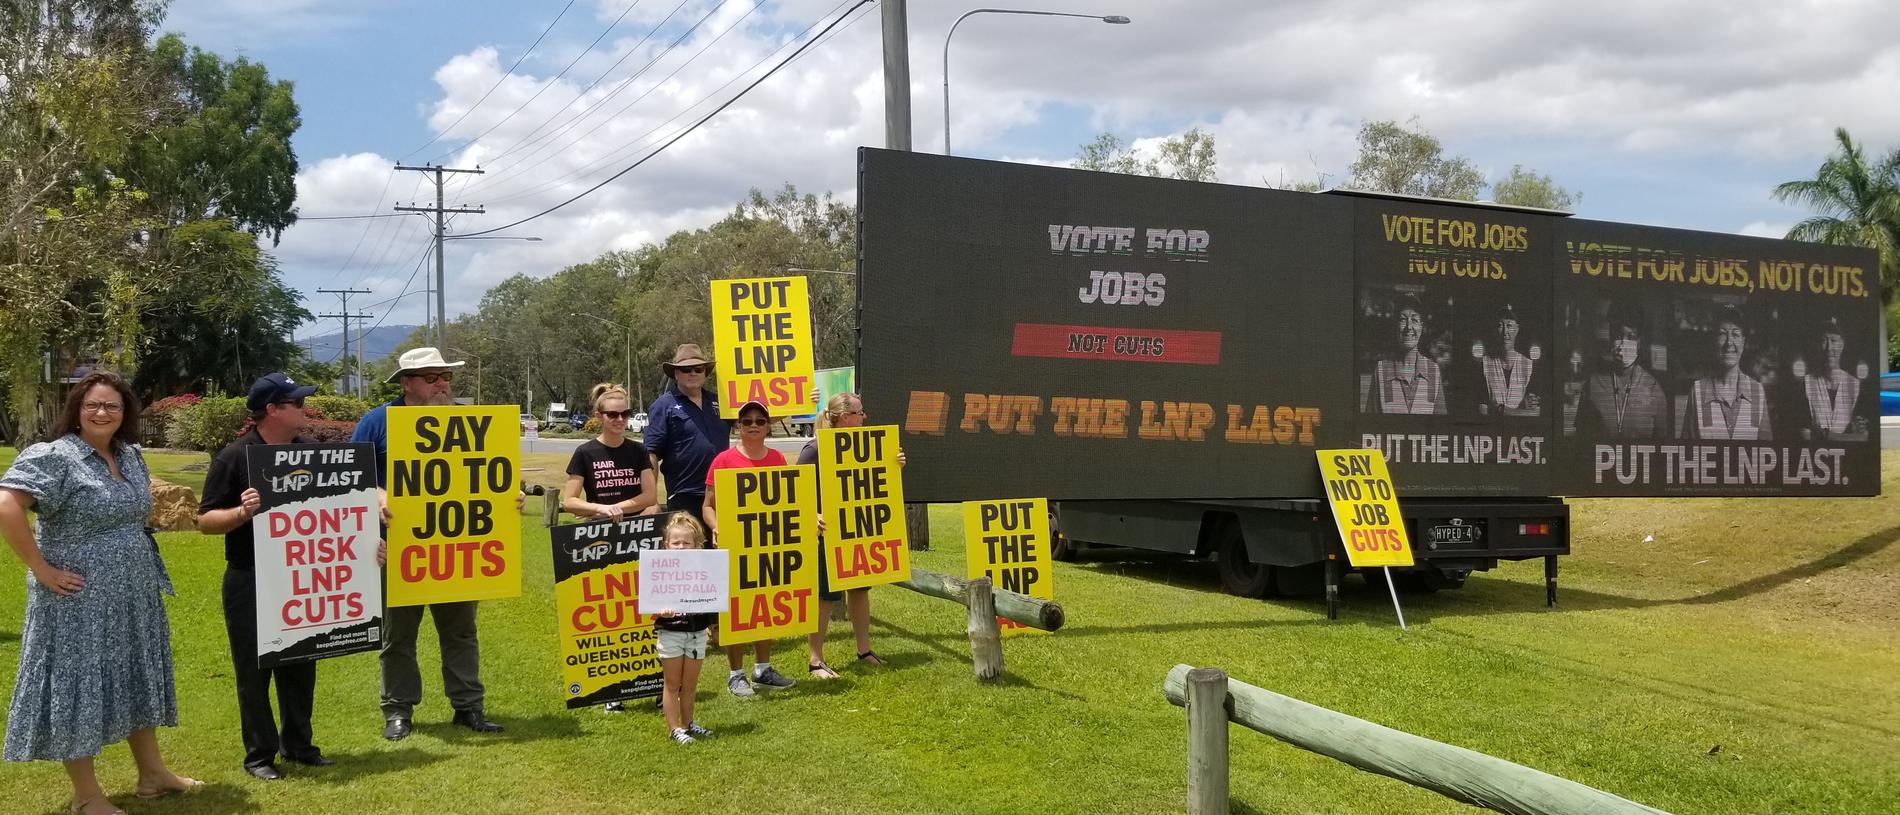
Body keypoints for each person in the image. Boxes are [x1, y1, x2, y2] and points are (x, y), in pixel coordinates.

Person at [0, 371, 201, 815]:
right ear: (77, 409)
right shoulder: (54, 456)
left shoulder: (130, 455)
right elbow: (7, 505)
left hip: (132, 592)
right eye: (93, 404)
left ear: (125, 412)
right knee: (78, 685)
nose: (102, 412)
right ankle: (86, 796)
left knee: (135, 676)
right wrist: (41, 569)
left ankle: (153, 775)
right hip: (77, 598)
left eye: (112, 405)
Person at [352, 347, 505, 739]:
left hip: (456, 547)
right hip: (397, 549)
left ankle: (468, 707)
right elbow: (350, 479)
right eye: (433, 377)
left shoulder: (469, 423)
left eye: (446, 377)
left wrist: (508, 498)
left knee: (461, 632)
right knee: (398, 635)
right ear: (406, 383)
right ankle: (398, 712)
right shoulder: (376, 423)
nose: (442, 384)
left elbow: (485, 477)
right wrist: (378, 495)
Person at [196, 373, 332, 780]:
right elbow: (204, 520)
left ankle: (299, 745)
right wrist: (241, 513)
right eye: (297, 402)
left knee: (301, 663)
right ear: (272, 410)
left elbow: (338, 514)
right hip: (250, 578)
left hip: (301, 577)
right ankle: (259, 755)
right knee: (254, 672)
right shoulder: (235, 457)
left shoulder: (309, 451)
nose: (305, 408)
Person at [562, 382, 657, 712]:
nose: (619, 419)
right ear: (599, 416)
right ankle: (612, 689)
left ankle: (654, 680)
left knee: (645, 609)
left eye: (625, 414)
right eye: (612, 414)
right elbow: (569, 500)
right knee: (609, 613)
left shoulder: (638, 450)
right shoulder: (585, 453)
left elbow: (650, 497)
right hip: (600, 540)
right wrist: (602, 509)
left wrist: (624, 508)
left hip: (638, 534)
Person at [801, 392, 905, 677]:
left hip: (856, 530)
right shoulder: (814, 450)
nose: (864, 417)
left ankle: (864, 650)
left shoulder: (868, 446)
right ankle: (815, 659)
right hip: (827, 535)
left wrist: (894, 463)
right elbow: (796, 491)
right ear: (844, 417)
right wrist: (813, 514)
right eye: (860, 413)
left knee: (859, 590)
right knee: (825, 596)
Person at [702, 400, 798, 697]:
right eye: (747, 421)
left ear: (769, 426)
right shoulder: (723, 460)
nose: (753, 425)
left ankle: (763, 668)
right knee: (738, 608)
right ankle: (735, 673)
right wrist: (716, 526)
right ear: (737, 427)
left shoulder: (778, 459)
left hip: (768, 544)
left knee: (765, 604)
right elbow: (706, 506)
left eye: (760, 420)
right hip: (735, 548)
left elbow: (787, 502)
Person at [643, 344, 729, 522]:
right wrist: (651, 500)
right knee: (688, 548)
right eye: (686, 369)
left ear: (705, 373)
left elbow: (758, 421)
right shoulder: (663, 405)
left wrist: (789, 403)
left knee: (722, 548)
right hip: (685, 494)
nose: (693, 373)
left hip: (722, 493)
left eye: (698, 369)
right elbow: (651, 454)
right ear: (676, 374)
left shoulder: (721, 402)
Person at [653, 512, 718, 744]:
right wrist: (662, 610)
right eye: (676, 542)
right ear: (666, 544)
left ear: (697, 544)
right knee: (672, 683)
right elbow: (650, 605)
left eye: (686, 543)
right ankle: (674, 729)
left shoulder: (705, 569)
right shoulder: (658, 570)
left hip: (696, 633)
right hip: (670, 632)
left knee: (690, 684)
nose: (681, 547)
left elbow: (714, 594)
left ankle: (689, 724)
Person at [1578, 302, 1669, 439]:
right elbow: (1580, 442)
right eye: (1619, 336)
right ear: (1610, 337)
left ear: (1640, 342)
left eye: (1631, 337)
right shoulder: (1592, 385)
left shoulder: (1654, 389)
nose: (1624, 344)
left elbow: (1662, 448)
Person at [1686, 306, 1772, 440]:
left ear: (1743, 342)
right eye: (1722, 334)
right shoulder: (1697, 391)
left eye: (1736, 334)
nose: (1729, 343)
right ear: (1714, 341)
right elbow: (1687, 451)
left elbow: (1766, 451)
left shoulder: (1757, 391)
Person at [1364, 295, 1446, 415]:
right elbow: (1370, 423)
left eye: (1414, 320)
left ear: (1421, 327)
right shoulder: (1381, 370)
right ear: (1395, 326)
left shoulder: (1433, 371)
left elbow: (1441, 426)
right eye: (1403, 319)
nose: (1409, 327)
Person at [1799, 318, 1867, 441]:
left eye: (1834, 340)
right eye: (1824, 340)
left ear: (1842, 344)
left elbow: (1863, 436)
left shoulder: (1855, 386)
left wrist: (1826, 435)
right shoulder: (1807, 383)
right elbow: (1804, 434)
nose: (1829, 347)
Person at [1479, 304, 1539, 416]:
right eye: (1500, 325)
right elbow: (1482, 410)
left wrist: (1500, 410)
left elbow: (1534, 413)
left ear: (1517, 329)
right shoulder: (1485, 364)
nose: (1505, 332)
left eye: (1509, 325)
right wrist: (1520, 411)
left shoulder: (1528, 366)